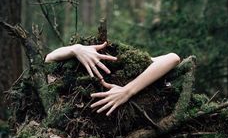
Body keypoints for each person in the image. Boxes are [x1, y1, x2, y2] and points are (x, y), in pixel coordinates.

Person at [45, 41, 180, 116]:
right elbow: (49, 58)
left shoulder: (128, 63)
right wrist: (76, 49)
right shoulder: (71, 69)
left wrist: (127, 91)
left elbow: (172, 58)